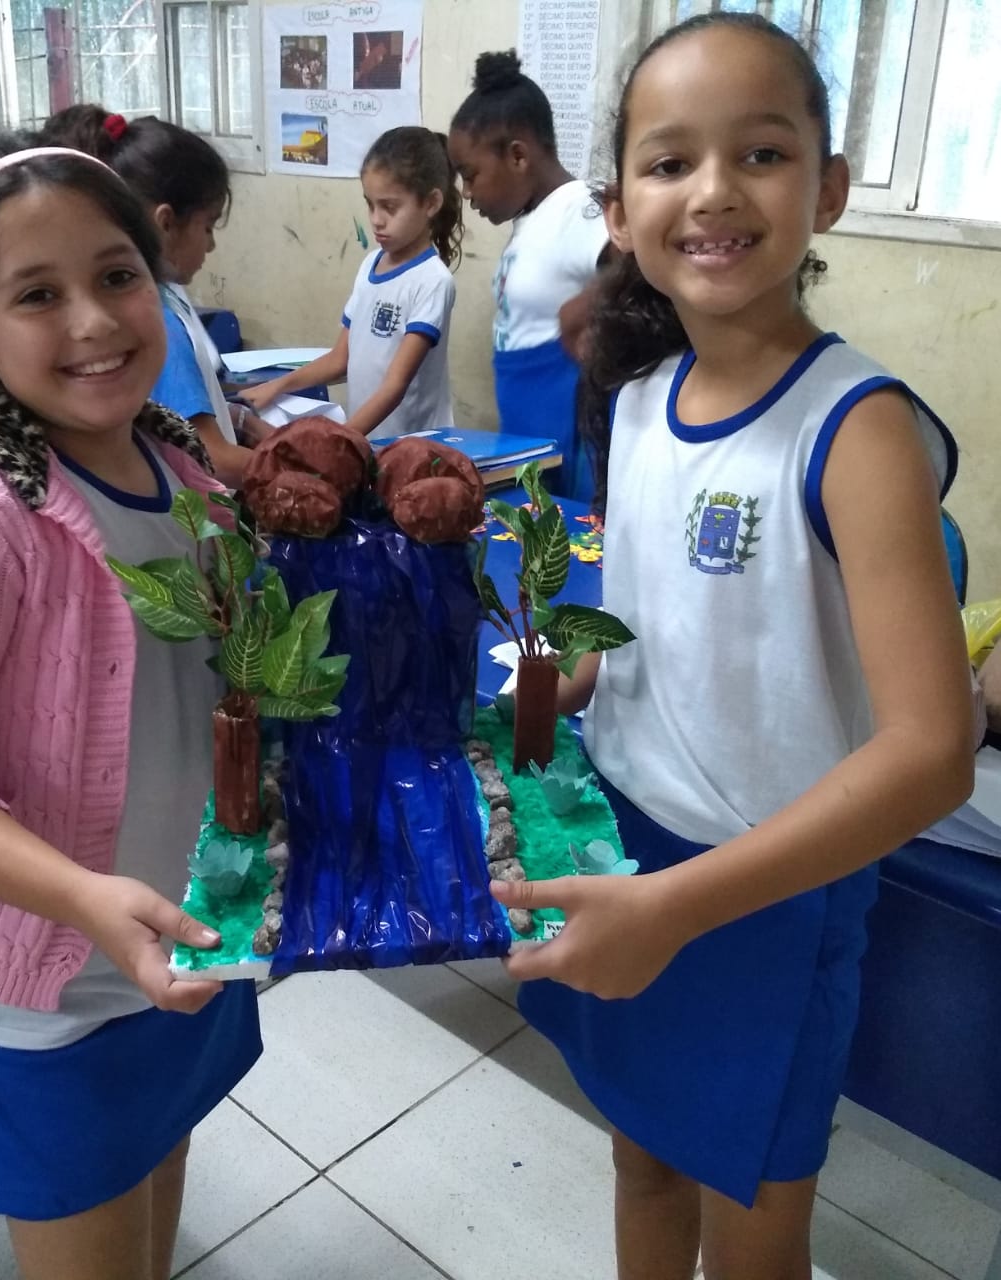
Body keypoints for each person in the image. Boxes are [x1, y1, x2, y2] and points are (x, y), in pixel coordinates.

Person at [490, 14, 976, 1279]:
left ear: (829, 188)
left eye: (760, 153)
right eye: (669, 162)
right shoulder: (639, 402)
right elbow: (645, 625)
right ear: (617, 209)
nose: (711, 192)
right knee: (642, 1156)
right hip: (624, 845)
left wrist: (677, 907)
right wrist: (547, 694)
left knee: (755, 1228)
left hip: (767, 889)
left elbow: (935, 750)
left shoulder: (855, 428)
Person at [0, 133, 262, 1280]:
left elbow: (213, 678)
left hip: (184, 935)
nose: (92, 320)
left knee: (160, 1173)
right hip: (55, 982)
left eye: (117, 275)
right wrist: (85, 896)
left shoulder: (183, 475)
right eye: (37, 293)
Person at [38, 106, 262, 487]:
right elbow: (209, 457)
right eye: (207, 227)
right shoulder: (156, 319)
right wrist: (301, 473)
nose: (210, 245)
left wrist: (238, 418)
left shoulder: (168, 299)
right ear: (166, 223)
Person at [448, 50, 608, 504]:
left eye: (471, 175)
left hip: (570, 434)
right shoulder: (533, 219)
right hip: (529, 430)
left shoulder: (579, 207)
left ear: (518, 156)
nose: (468, 193)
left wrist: (588, 307)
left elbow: (641, 266)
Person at [240, 126, 462, 439]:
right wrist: (277, 386)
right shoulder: (370, 264)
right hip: (368, 440)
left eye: (390, 207)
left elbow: (396, 385)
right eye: (370, 205)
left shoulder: (432, 281)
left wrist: (342, 441)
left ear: (430, 203)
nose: (376, 219)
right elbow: (339, 359)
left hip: (414, 447)